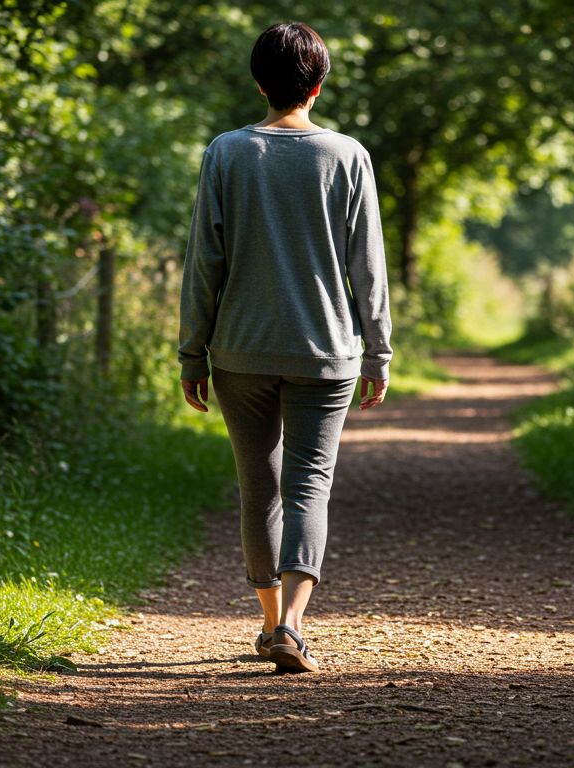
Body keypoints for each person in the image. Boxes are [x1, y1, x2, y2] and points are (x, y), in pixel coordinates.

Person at [177, 21, 392, 674]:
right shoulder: (348, 155)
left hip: (239, 352)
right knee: (309, 488)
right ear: (318, 86)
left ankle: (271, 622)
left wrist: (193, 353)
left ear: (258, 82)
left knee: (258, 489)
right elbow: (369, 268)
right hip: (326, 352)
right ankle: (295, 626)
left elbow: (203, 263)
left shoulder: (226, 152)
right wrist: (378, 353)